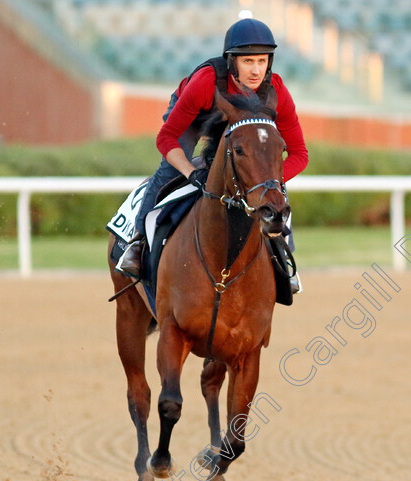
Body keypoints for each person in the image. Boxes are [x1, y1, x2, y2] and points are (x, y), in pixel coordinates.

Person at [117, 13, 308, 293]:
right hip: (195, 117)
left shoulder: (277, 91)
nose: (256, 70)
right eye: (248, 61)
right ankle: (137, 244)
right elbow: (166, 138)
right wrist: (191, 173)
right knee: (169, 170)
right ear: (232, 62)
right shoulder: (206, 82)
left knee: (274, 192)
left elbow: (300, 154)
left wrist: (269, 180)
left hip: (245, 132)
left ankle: (283, 263)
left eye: (262, 61)